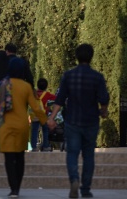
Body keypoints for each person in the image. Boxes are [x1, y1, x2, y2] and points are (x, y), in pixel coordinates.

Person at [47, 44, 109, 199]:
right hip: (91, 121)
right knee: (89, 155)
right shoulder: (97, 77)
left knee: (72, 153)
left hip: (72, 120)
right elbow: (104, 98)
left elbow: (60, 100)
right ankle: (86, 189)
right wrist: (104, 110)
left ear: (76, 57)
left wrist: (52, 118)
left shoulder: (68, 75)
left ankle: (74, 179)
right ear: (91, 56)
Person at [0, 57, 47, 198]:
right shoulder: (26, 86)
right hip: (22, 126)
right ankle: (17, 189)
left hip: (5, 126)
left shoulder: (2, 84)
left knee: (9, 158)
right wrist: (46, 121)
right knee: (20, 157)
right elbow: (36, 107)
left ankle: (13, 189)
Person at [30, 78, 56, 152]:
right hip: (43, 115)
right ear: (46, 86)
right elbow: (56, 98)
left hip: (35, 115)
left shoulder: (33, 94)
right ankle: (45, 146)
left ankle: (34, 147)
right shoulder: (47, 94)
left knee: (34, 131)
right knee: (45, 130)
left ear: (37, 85)